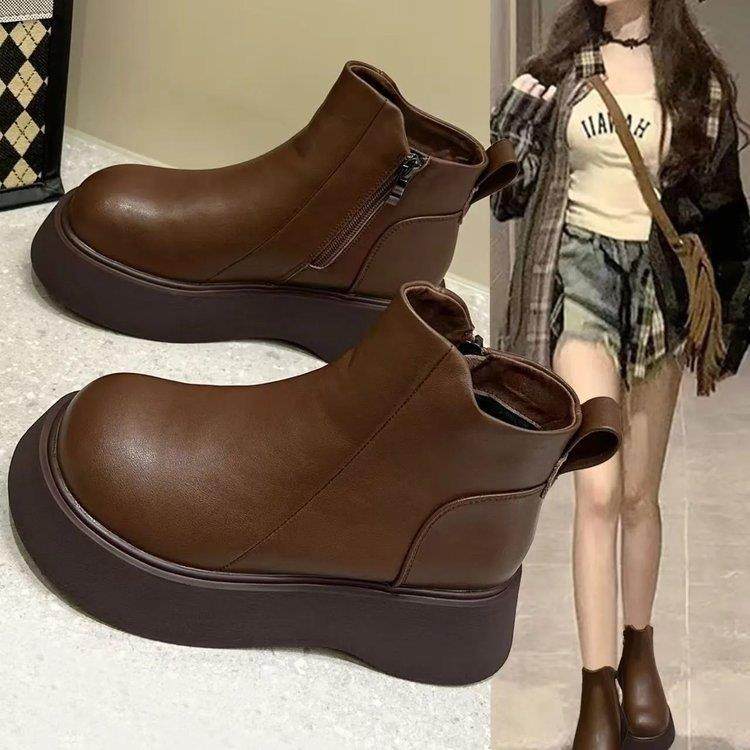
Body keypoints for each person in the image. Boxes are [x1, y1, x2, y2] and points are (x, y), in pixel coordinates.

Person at [491, 0, 750, 747]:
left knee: (639, 495)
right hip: (581, 281)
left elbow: (721, 208)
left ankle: (640, 659)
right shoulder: (558, 72)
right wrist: (512, 131)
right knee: (598, 489)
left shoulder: (694, 79)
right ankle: (595, 690)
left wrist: (725, 320)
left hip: (656, 292)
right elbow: (510, 197)